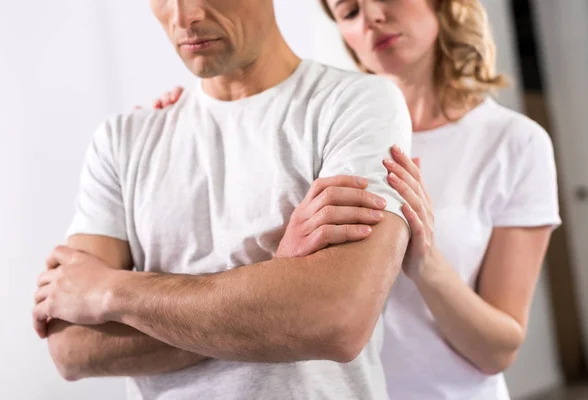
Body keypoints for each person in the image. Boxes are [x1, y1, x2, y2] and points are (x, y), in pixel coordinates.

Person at [153, 0, 562, 399]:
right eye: (349, 11)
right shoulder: (327, 131)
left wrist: (426, 265)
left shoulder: (515, 144)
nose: (373, 18)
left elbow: (498, 350)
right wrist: (197, 115)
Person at [32, 1, 414, 399]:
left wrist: (110, 292)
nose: (184, 19)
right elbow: (73, 347)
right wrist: (276, 287)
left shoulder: (356, 104)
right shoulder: (123, 141)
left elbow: (337, 319)